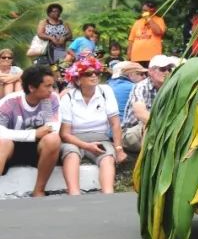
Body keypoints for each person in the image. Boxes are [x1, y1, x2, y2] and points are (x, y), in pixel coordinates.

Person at [58, 57, 125, 195]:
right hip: (74, 138)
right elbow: (65, 133)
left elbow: (115, 123)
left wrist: (118, 149)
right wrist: (86, 146)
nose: (94, 75)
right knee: (71, 154)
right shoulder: (68, 97)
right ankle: (74, 193)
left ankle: (108, 193)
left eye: (96, 73)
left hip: (101, 138)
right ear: (77, 80)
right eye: (88, 74)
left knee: (107, 157)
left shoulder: (106, 91)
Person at [0, 65, 62, 196]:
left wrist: (46, 106)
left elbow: (53, 128)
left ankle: (38, 190)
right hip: (11, 149)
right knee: (2, 143)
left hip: (38, 149)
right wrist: (33, 134)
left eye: (53, 85)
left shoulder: (51, 99)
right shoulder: (10, 102)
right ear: (32, 87)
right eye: (47, 86)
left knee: (53, 139)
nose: (52, 90)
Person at [121, 54, 178, 153]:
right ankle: (145, 164)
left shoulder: (171, 88)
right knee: (147, 126)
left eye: (169, 69)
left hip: (159, 128)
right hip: (133, 132)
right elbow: (141, 114)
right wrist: (163, 128)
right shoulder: (141, 86)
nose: (167, 72)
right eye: (163, 69)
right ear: (151, 71)